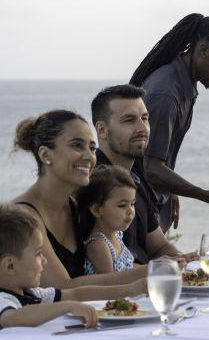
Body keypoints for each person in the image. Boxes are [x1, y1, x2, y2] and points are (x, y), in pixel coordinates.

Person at [130, 13, 209, 231]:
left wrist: (172, 190)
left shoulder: (183, 83)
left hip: (151, 206)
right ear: (202, 50)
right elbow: (151, 169)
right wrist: (208, 195)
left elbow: (159, 158)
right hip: (135, 214)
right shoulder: (166, 94)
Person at [11, 109, 146, 287]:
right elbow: (62, 288)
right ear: (45, 155)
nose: (89, 156)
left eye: (92, 148)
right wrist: (151, 272)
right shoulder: (23, 217)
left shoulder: (76, 205)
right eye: (77, 145)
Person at [0, 203, 145, 339]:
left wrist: (131, 289)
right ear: (10, 266)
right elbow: (12, 319)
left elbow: (77, 294)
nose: (44, 260)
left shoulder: (33, 294)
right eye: (38, 254)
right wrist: (66, 307)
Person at [90, 84, 194, 264]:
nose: (142, 128)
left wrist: (185, 261)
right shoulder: (93, 184)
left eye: (145, 118)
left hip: (149, 278)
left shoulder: (135, 178)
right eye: (129, 120)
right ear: (101, 130)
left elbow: (159, 247)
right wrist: (159, 268)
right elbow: (108, 266)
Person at [77, 165, 137, 275]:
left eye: (132, 204)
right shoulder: (99, 244)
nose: (130, 211)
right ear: (96, 210)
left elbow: (128, 268)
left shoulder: (117, 234)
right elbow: (111, 281)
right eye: (122, 205)